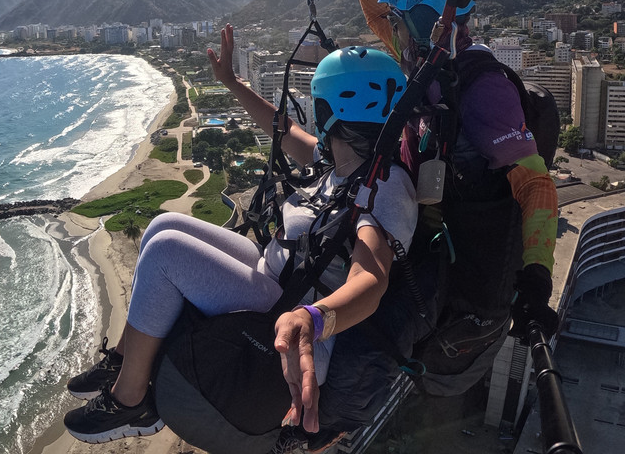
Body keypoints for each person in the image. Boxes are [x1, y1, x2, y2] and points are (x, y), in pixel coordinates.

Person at [61, 25, 417, 445]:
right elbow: (280, 127)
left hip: (303, 332)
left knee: (167, 253)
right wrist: (231, 82)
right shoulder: (339, 158)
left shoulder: (385, 185)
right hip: (277, 280)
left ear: (329, 111)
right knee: (162, 227)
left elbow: (371, 281)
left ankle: (131, 399)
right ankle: (125, 359)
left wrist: (312, 319)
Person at [328, 0, 559, 370]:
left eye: (402, 20)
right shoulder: (427, 61)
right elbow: (375, 15)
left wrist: (536, 279)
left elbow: (535, 182)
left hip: (451, 255)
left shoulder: (481, 85)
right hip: (416, 225)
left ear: (430, 21)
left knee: (364, 345)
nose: (393, 29)